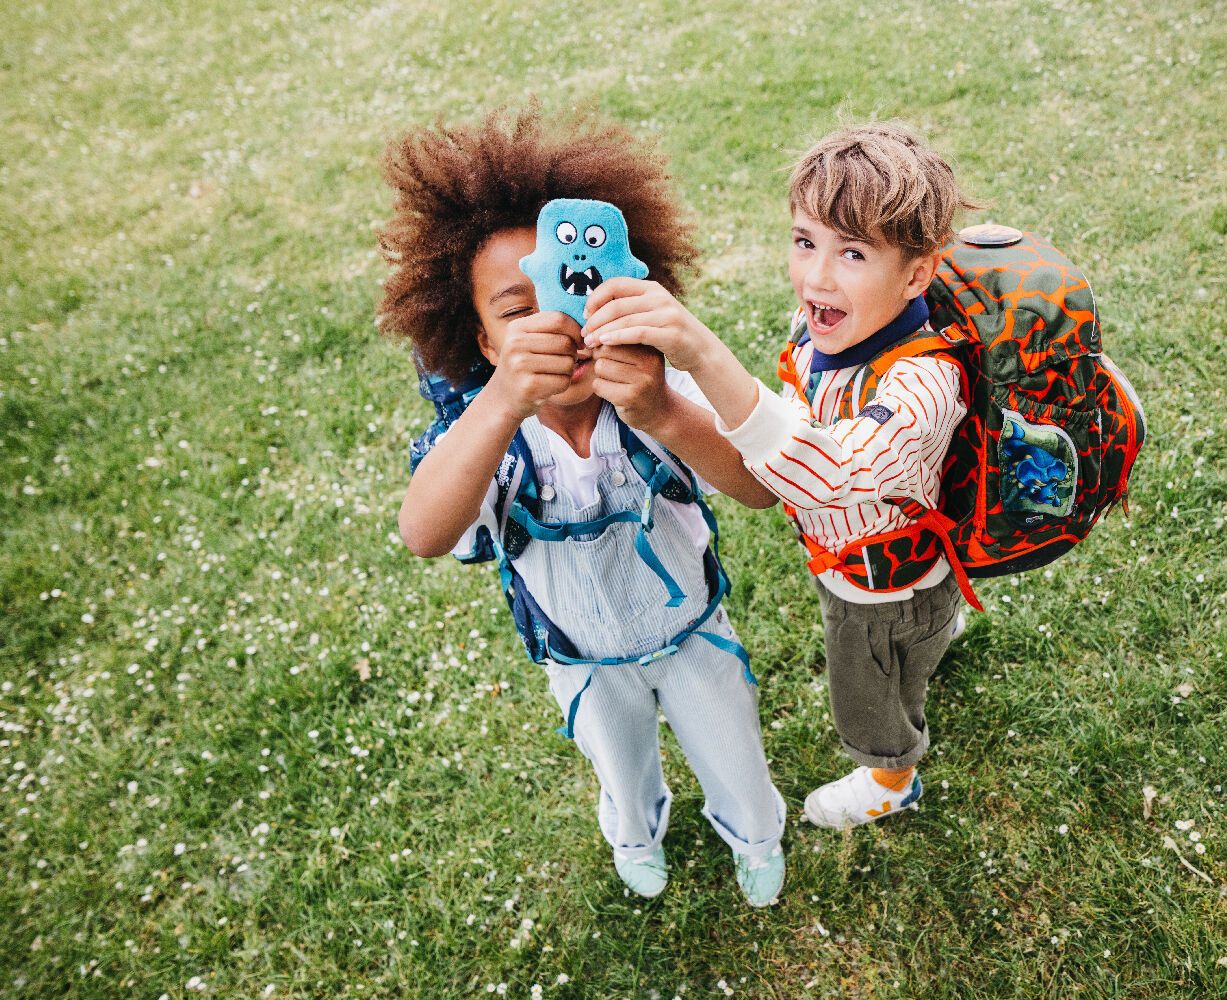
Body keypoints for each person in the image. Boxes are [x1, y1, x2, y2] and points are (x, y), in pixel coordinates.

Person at [378, 108, 787, 904]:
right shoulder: (485, 437)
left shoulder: (660, 396)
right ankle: (635, 835)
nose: (555, 322)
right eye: (517, 309)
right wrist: (498, 406)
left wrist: (665, 412)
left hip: (695, 633)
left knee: (732, 745)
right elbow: (423, 533)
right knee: (619, 764)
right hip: (581, 658)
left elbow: (760, 488)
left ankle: (755, 834)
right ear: (483, 343)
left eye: (573, 289)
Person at [585, 121, 977, 829]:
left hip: (880, 587)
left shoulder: (926, 386)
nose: (817, 277)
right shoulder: (825, 325)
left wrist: (703, 356)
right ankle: (933, 637)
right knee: (915, 638)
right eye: (806, 242)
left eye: (853, 253)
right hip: (893, 561)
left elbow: (825, 472)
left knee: (868, 686)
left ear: (916, 274)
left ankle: (890, 775)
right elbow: (778, 450)